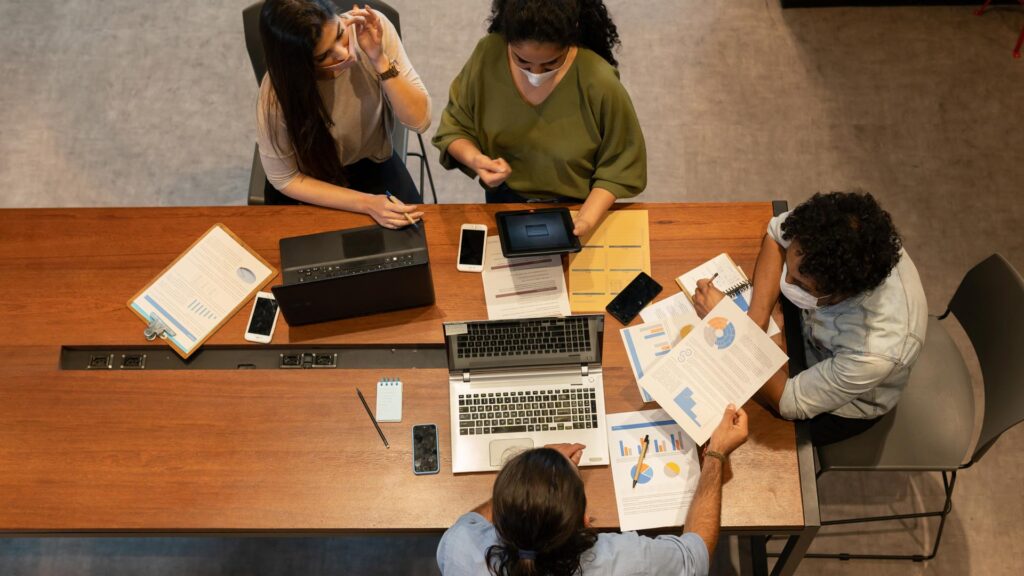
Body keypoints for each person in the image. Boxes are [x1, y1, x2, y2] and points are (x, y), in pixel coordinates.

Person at [693, 192, 928, 446]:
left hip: (843, 406)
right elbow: (775, 235)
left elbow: (789, 402)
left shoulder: (873, 352)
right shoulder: (831, 229)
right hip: (808, 335)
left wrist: (730, 325)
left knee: (755, 430)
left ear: (843, 293)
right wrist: (755, 324)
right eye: (789, 269)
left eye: (802, 286)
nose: (786, 284)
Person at [437, 405, 748, 576]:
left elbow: (471, 521)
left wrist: (535, 477)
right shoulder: (621, 560)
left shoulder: (460, 549)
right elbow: (695, 556)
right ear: (585, 521)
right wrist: (717, 453)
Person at [432, 0, 646, 237]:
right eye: (521, 61)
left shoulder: (599, 81)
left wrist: (586, 219)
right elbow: (454, 127)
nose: (535, 75)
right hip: (503, 200)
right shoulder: (488, 55)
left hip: (577, 206)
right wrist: (476, 159)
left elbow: (620, 165)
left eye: (550, 64)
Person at [257, 0, 431, 228]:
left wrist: (379, 59)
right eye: (323, 56)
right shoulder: (276, 95)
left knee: (416, 244)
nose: (343, 54)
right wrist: (366, 203)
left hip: (369, 162)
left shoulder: (370, 29)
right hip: (311, 181)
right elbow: (285, 178)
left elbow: (420, 121)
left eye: (340, 33)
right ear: (299, 64)